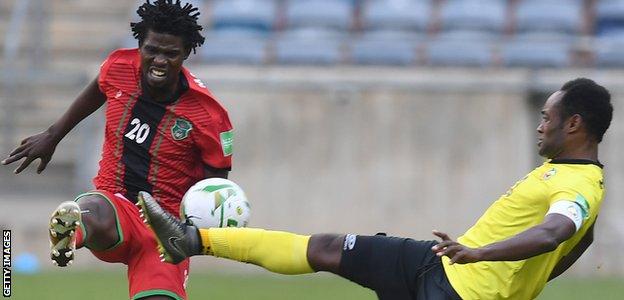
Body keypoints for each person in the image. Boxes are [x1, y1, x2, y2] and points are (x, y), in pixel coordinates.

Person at [138, 78, 613, 299]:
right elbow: (579, 241)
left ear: (573, 123)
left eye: (546, 118)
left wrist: (483, 258)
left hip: (459, 288)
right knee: (326, 247)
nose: (539, 126)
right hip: (438, 262)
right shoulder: (567, 172)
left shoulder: (579, 185)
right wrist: (524, 280)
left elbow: (556, 234)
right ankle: (193, 239)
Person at [1, 1, 233, 299]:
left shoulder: (208, 114)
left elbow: (217, 183)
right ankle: (71, 232)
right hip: (116, 201)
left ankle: (78, 229)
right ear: (140, 45)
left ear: (186, 53)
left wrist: (198, 226)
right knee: (94, 210)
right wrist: (52, 135)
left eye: (170, 53)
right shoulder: (119, 68)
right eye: (152, 50)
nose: (159, 60)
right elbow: (98, 88)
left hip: (165, 228)